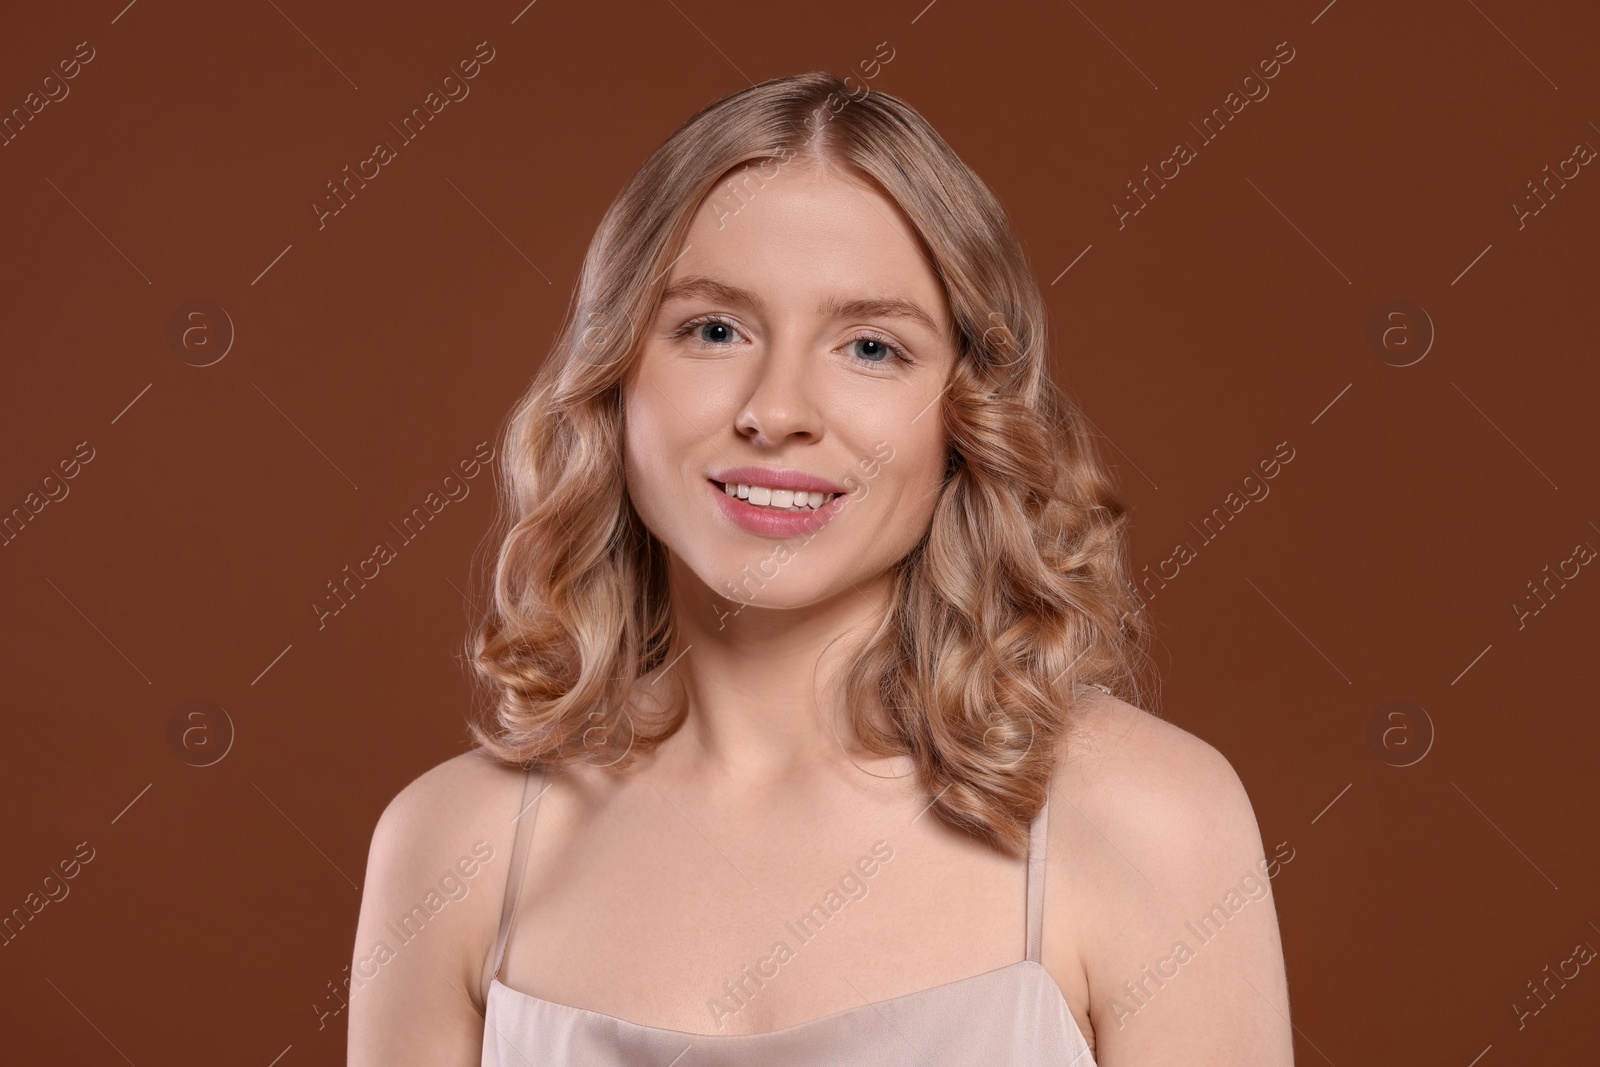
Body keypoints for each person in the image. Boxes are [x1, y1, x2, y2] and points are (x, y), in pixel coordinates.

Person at [348, 70, 1293, 1066]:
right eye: (712, 329)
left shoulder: (1144, 816)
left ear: (967, 412)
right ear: (613, 372)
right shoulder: (452, 849)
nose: (777, 407)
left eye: (871, 346)